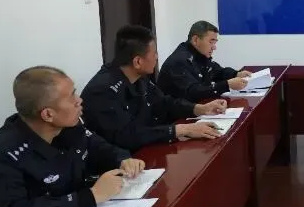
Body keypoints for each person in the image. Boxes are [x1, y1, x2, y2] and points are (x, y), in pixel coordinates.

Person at [0, 66, 147, 207]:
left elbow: (99, 147)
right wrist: (92, 196)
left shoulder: (68, 127)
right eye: (71, 97)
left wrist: (123, 160)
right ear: (48, 114)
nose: (79, 101)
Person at [82, 25, 227, 151]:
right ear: (138, 62)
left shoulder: (138, 76)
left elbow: (164, 103)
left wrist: (199, 109)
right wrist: (181, 130)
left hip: (147, 148)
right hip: (125, 162)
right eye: (154, 53)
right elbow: (126, 136)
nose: (157, 57)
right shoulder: (102, 91)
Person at [158, 21, 253, 102]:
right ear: (195, 40)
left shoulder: (200, 56)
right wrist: (226, 85)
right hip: (177, 115)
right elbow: (194, 92)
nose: (214, 47)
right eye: (211, 42)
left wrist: (236, 74)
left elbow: (218, 72)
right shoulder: (179, 61)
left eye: (215, 43)